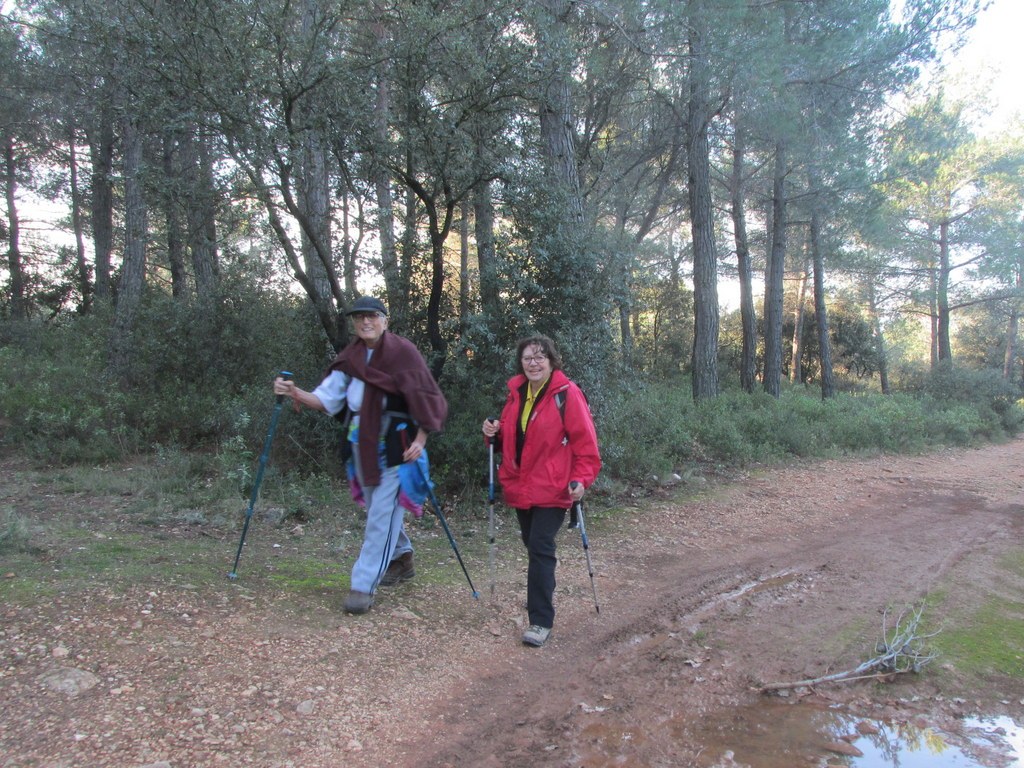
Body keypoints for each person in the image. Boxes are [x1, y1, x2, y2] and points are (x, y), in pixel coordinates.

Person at [274, 296, 448, 614]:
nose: (365, 322)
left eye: (371, 316)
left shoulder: (403, 353)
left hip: (398, 448)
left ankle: (362, 586)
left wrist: (422, 438)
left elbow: (428, 398)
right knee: (378, 512)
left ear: (384, 320)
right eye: (358, 318)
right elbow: (328, 399)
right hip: (361, 446)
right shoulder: (351, 357)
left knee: (380, 518)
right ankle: (402, 558)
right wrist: (294, 393)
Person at [482, 335, 601, 647]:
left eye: (539, 357)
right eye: (527, 358)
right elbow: (510, 439)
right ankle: (540, 595)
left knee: (540, 545)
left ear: (552, 361)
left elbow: (586, 447)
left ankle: (540, 620)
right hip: (522, 486)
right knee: (532, 545)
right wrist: (492, 433)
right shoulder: (516, 394)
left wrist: (581, 480)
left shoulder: (567, 395)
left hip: (554, 487)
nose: (533, 363)